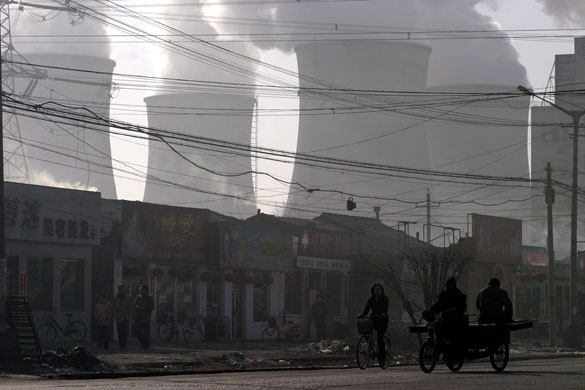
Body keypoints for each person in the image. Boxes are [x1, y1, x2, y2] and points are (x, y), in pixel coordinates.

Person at [423, 277, 467, 349]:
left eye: (449, 285)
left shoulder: (458, 295)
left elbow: (462, 307)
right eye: (447, 285)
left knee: (451, 334)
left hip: (456, 320)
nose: (448, 287)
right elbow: (438, 306)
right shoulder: (443, 295)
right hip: (444, 319)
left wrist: (453, 311)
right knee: (438, 330)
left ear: (453, 285)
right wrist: (430, 312)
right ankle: (439, 347)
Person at [357, 283, 389, 368]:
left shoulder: (385, 299)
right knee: (367, 333)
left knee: (380, 338)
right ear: (373, 291)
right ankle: (369, 348)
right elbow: (366, 309)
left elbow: (385, 309)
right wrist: (362, 315)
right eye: (375, 289)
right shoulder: (371, 299)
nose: (377, 291)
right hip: (373, 319)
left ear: (382, 290)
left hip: (382, 320)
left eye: (379, 289)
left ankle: (382, 359)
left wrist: (382, 314)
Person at [134, 284, 155, 350]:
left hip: (146, 318)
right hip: (139, 317)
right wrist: (136, 307)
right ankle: (143, 343)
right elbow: (135, 305)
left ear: (146, 291)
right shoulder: (138, 297)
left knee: (146, 333)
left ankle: (146, 346)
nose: (140, 291)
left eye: (142, 290)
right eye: (140, 290)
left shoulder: (150, 298)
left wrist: (145, 308)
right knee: (137, 332)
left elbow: (152, 307)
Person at [113, 284, 132, 350]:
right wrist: (115, 315)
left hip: (125, 316)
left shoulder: (128, 297)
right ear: (119, 290)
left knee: (124, 331)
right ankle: (121, 344)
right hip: (118, 316)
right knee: (119, 331)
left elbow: (130, 307)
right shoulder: (115, 297)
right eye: (121, 289)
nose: (123, 290)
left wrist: (129, 314)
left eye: (124, 289)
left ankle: (124, 343)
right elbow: (114, 307)